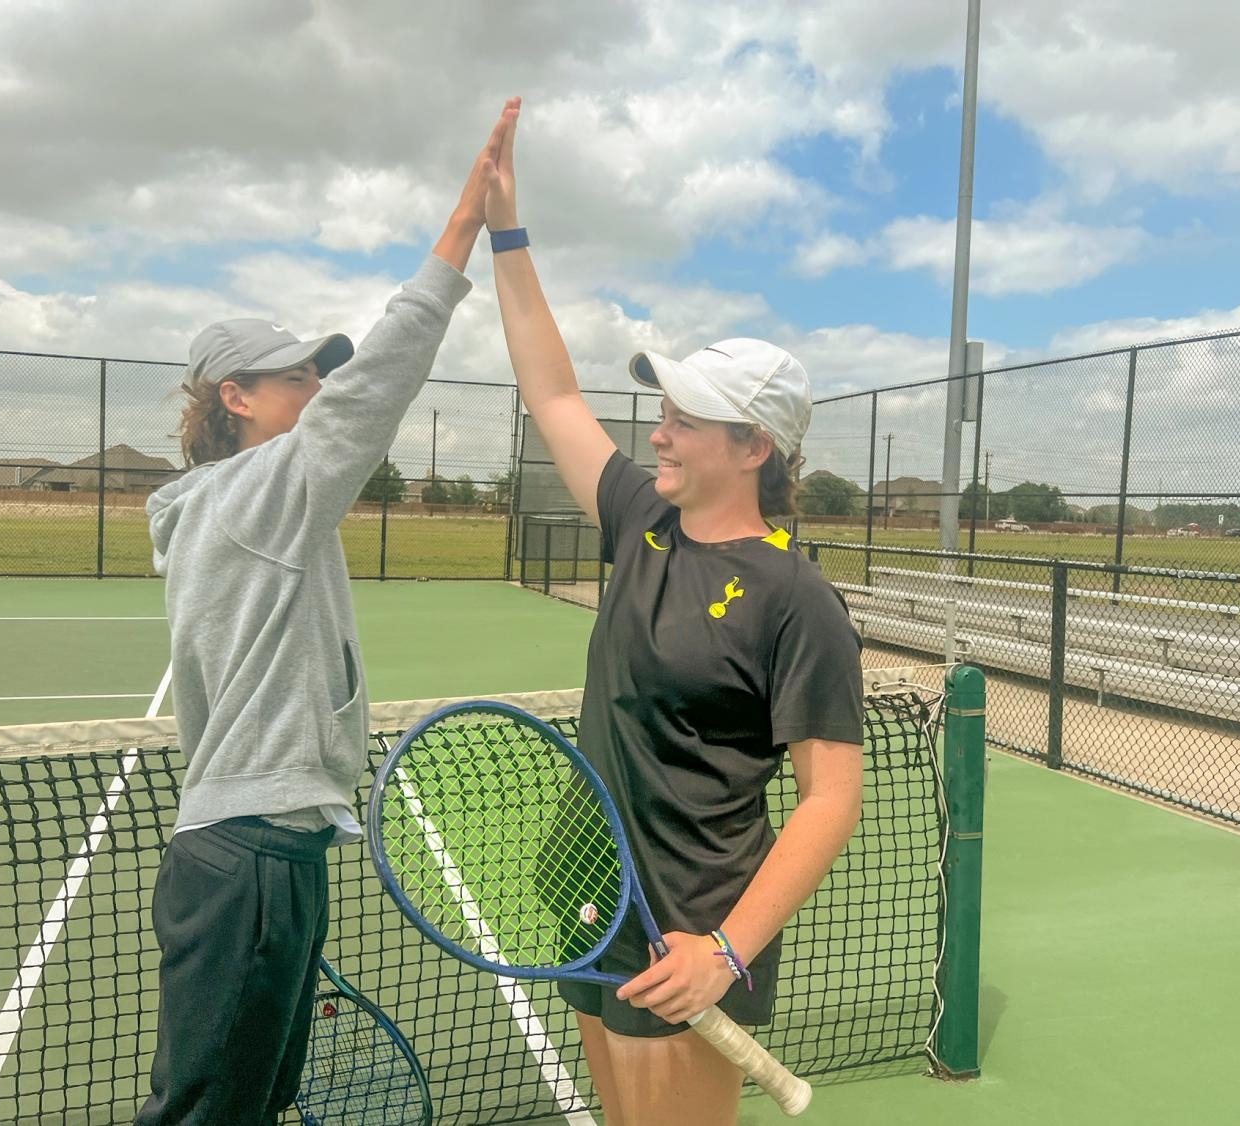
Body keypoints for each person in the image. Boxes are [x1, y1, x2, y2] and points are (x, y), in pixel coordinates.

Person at [483, 97, 866, 1126]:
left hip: (695, 922)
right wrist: (506, 234)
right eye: (662, 414)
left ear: (755, 450)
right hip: (589, 881)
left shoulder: (797, 600)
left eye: (686, 421)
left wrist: (724, 949)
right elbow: (553, 392)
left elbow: (830, 798)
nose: (658, 436)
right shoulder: (637, 518)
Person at [133, 106, 511, 1126]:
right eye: (295, 374)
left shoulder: (244, 507)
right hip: (251, 862)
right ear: (236, 396)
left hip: (269, 856)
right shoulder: (259, 495)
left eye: (314, 372)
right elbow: (376, 388)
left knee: (249, 1106)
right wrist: (463, 227)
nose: (317, 388)